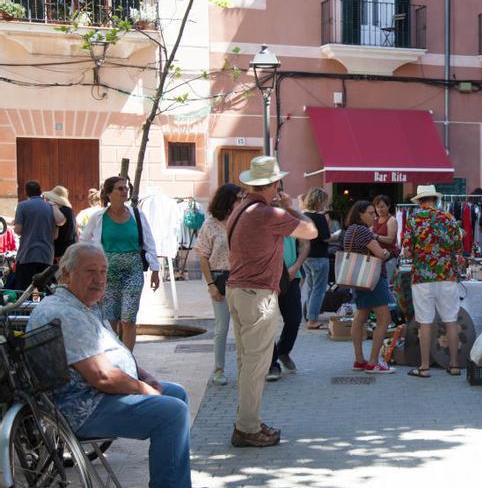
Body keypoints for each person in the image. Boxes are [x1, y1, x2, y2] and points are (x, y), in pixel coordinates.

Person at [28, 242, 192, 488]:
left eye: (103, 271)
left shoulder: (82, 305)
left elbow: (115, 351)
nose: (99, 279)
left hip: (96, 395)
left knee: (176, 393)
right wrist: (141, 388)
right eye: (90, 271)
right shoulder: (65, 313)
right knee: (172, 412)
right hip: (80, 408)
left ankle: (172, 479)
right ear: (66, 273)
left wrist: (143, 376)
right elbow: (102, 377)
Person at [225, 156, 316, 448]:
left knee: (245, 363)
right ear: (274, 184)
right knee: (256, 365)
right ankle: (247, 427)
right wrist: (293, 207)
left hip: (239, 291)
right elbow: (311, 232)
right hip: (256, 294)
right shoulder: (267, 213)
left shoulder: (241, 209)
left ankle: (247, 420)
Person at [81, 176, 160, 350]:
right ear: (108, 193)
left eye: (125, 188)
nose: (124, 191)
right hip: (107, 274)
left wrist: (155, 269)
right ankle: (113, 355)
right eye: (119, 188)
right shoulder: (99, 217)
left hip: (133, 270)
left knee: (129, 318)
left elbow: (149, 242)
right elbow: (84, 240)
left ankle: (128, 359)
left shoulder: (137, 215)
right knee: (110, 319)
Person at [402, 185, 464, 378]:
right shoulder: (449, 218)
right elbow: (458, 248)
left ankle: (425, 367)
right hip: (447, 275)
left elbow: (407, 251)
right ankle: (454, 365)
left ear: (420, 201)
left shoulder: (413, 219)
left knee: (425, 322)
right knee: (451, 320)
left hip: (422, 277)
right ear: (435, 200)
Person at [195, 183, 242, 386]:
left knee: (243, 327)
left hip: (241, 278)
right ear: (228, 200)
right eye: (238, 198)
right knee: (222, 327)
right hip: (220, 277)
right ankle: (218, 369)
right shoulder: (210, 225)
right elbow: (203, 257)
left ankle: (244, 369)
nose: (241, 202)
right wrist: (211, 284)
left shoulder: (241, 221)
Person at [345, 200, 396, 374]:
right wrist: (387, 253)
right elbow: (380, 254)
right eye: (370, 213)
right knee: (384, 319)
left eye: (374, 213)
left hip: (358, 279)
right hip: (373, 279)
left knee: (360, 317)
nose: (374, 217)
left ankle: (359, 360)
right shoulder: (363, 231)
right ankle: (373, 362)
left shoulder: (350, 230)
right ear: (359, 214)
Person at [266, 231, 309, 381]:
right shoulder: (259, 215)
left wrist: (297, 265)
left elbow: (305, 244)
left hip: (290, 275)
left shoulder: (291, 217)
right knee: (266, 322)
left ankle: (283, 350)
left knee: (294, 319)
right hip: (265, 278)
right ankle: (271, 364)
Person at [13, 180, 66, 290]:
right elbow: (56, 233)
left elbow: (18, 229)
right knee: (44, 291)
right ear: (40, 191)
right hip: (46, 255)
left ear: (26, 192)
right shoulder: (50, 207)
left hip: (27, 254)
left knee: (24, 291)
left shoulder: (22, 206)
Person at [301, 187, 333, 330]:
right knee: (318, 290)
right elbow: (326, 238)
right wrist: (336, 235)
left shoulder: (303, 215)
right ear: (320, 201)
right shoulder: (320, 217)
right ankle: (312, 320)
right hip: (319, 256)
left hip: (306, 257)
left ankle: (308, 315)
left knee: (310, 288)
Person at [43, 185, 77, 262]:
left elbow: (55, 235)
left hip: (59, 251)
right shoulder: (69, 211)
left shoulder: (58, 212)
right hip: (70, 249)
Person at [372, 194, 399, 283]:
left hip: (389, 256)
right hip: (377, 256)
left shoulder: (392, 220)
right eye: (377, 207)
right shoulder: (375, 220)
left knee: (386, 283)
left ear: (388, 206)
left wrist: (375, 236)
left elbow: (390, 240)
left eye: (382, 206)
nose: (379, 209)